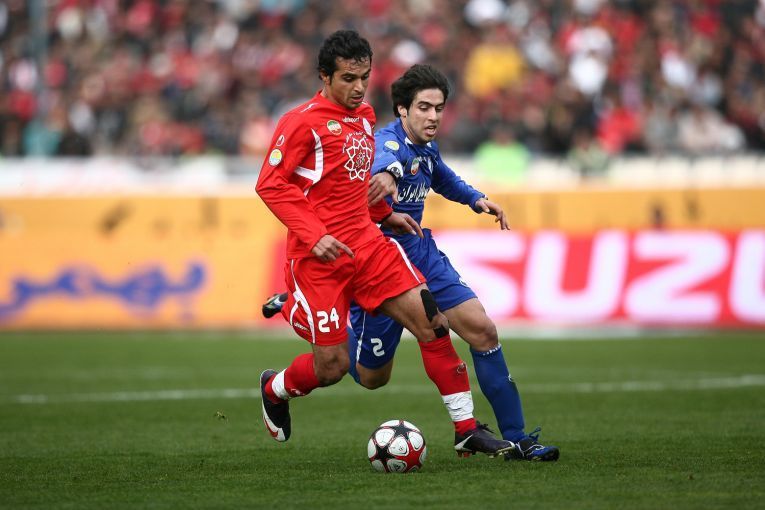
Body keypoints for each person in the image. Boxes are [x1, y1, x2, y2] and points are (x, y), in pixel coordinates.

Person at [263, 62, 560, 461]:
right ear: (402, 109)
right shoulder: (384, 141)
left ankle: (514, 437)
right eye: (423, 107)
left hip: (419, 254)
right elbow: (382, 167)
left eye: (438, 108)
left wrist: (475, 198)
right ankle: (299, 308)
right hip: (378, 258)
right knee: (370, 376)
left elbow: (440, 174)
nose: (433, 116)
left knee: (481, 330)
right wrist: (389, 177)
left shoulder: (426, 146)